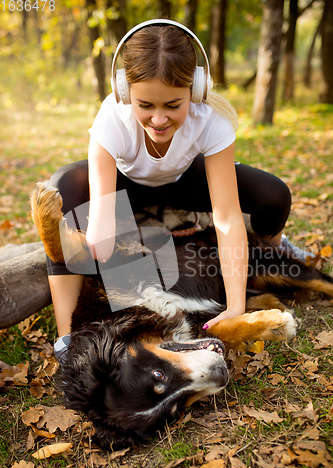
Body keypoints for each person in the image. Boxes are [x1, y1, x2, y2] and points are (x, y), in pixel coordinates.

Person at [45, 19, 294, 340]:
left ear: (196, 90)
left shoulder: (210, 120)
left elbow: (228, 217)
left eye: (173, 105)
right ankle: (67, 338)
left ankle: (278, 251)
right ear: (124, 91)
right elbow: (101, 225)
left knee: (274, 195)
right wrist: (100, 230)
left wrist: (234, 307)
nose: (159, 119)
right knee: (63, 183)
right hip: (127, 183)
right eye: (145, 105)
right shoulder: (112, 117)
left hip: (184, 180)